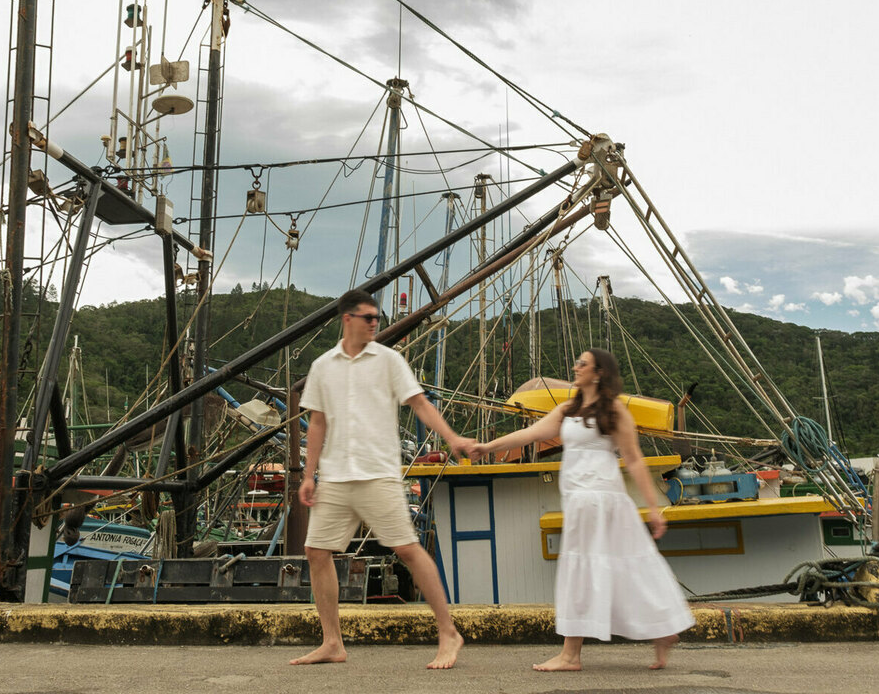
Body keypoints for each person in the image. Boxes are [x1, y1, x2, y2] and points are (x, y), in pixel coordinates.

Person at [474, 347, 694, 672]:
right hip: (580, 498)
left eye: (583, 363)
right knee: (627, 567)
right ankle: (664, 630)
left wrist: (653, 506)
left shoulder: (613, 410)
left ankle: (570, 656)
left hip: (599, 497)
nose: (575, 367)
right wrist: (487, 447)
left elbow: (633, 458)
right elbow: (531, 433)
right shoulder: (568, 409)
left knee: (582, 569)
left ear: (599, 372)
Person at [289, 288, 474, 670]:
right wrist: (310, 475)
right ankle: (332, 642)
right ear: (348, 319)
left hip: (378, 474)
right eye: (369, 318)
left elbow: (419, 402)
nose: (376, 323)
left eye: (377, 318)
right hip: (337, 477)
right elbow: (317, 422)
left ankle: (448, 632)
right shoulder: (324, 365)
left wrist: (452, 438)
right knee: (316, 552)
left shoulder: (389, 360)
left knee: (408, 550)